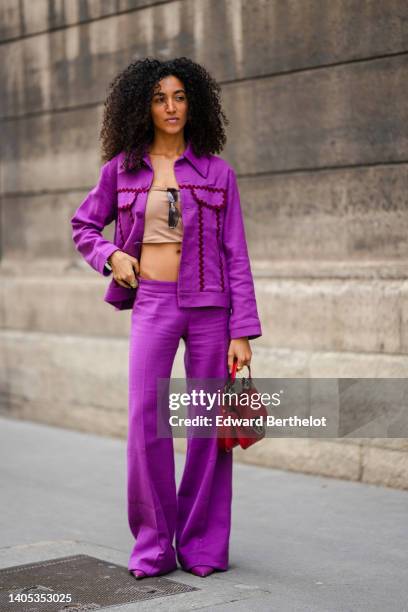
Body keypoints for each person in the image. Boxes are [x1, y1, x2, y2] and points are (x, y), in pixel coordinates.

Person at [70, 57, 262, 580]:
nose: (171, 107)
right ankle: (154, 545)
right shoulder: (121, 169)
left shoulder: (218, 172)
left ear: (192, 103)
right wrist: (113, 256)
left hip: (211, 309)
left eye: (179, 97)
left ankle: (200, 544)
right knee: (145, 423)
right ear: (143, 107)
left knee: (206, 428)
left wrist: (242, 330)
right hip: (153, 303)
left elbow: (236, 253)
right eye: (159, 98)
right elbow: (84, 225)